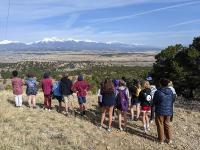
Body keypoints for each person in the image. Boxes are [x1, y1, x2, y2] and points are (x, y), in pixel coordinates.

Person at [153, 78, 174, 144]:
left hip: (159, 111)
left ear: (160, 84)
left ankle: (161, 140)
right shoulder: (171, 91)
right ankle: (169, 139)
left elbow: (154, 101)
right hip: (169, 110)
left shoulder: (158, 92)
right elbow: (173, 100)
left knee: (160, 124)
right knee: (167, 124)